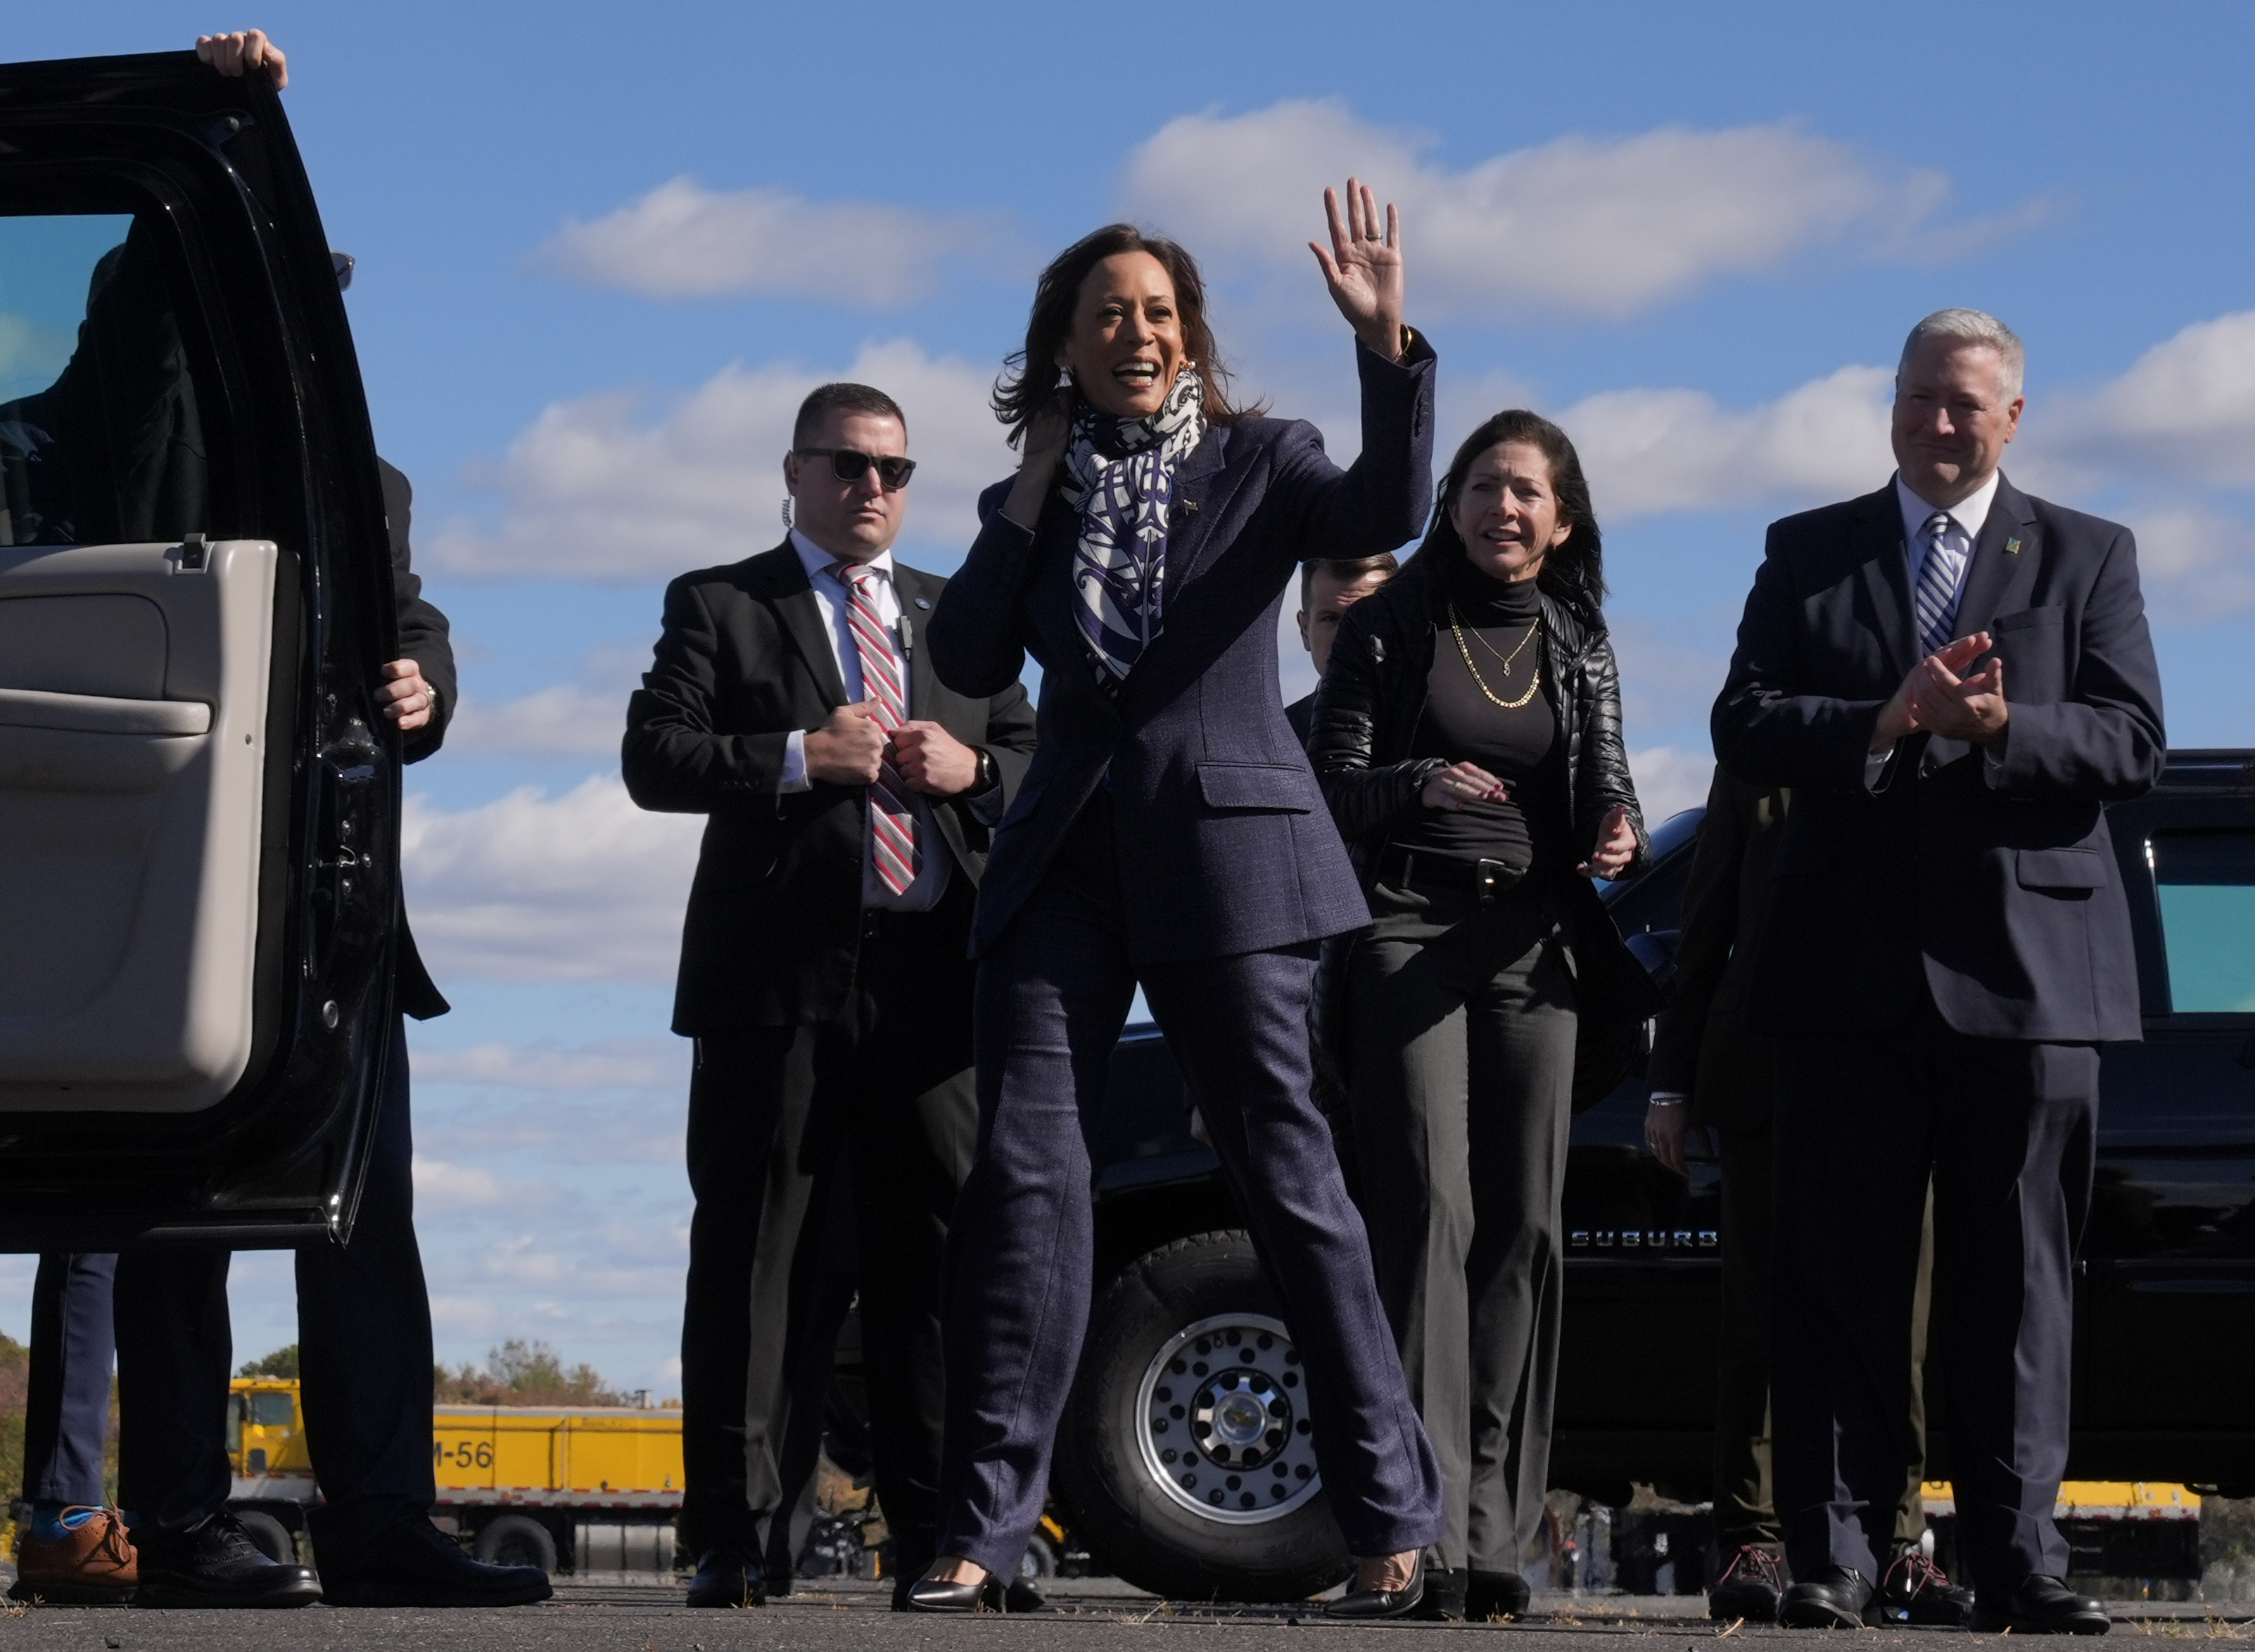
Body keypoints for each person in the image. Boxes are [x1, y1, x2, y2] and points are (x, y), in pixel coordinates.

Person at [910, 182, 1444, 1620]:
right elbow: (962, 654)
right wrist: (1029, 486)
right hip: (1064, 864)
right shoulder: (1027, 495)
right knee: (1024, 1180)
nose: (1135, 332)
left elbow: (1385, 507)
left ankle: (1389, 1517)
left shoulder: (1268, 459)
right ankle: (983, 1535)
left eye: (1156, 312)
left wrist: (1386, 344)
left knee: (1288, 1177)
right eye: (1107, 316)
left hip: (1231, 853)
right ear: (1065, 349)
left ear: (1188, 337)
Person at [1713, 308, 2164, 1634]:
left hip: (2031, 982)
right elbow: (1744, 719)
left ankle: (2020, 1558)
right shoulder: (1809, 552)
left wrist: (2002, 725)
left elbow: (2132, 738)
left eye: (1966, 404)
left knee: (2017, 1281)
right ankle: (1837, 1554)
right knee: (1837, 1277)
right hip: (1846, 976)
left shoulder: (2090, 554)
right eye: (1920, 398)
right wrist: (1887, 718)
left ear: (2013, 416)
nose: (1940, 423)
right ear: (1893, 404)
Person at [623, 381, 1036, 1610]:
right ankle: (742, 1538)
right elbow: (656, 755)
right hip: (776, 987)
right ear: (794, 473)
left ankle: (940, 1540)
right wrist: (805, 757)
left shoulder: (961, 618)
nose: (873, 490)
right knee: (758, 1265)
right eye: (849, 466)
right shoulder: (721, 603)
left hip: (930, 985)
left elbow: (1035, 755)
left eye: (895, 471)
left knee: (940, 1270)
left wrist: (974, 769)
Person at [1308, 409, 1652, 1621]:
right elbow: (1331, 786)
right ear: (1452, 503)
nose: (1507, 509)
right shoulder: (1390, 627)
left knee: (1524, 1227)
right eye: (1487, 487)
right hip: (1407, 927)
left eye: (1531, 493)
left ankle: (1502, 1534)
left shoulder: (1580, 638)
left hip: (1535, 947)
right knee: (1429, 1208)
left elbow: (1607, 780)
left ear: (1562, 523)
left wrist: (1618, 829)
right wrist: (1420, 781)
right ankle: (1416, 1526)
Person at [1644, 775, 1969, 1627]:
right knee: (1762, 1316)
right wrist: (1669, 1082)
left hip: (1902, 1069)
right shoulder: (1760, 757)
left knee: (1899, 1318)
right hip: (1767, 1070)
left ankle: (1895, 1541)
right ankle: (1751, 1535)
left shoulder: (1930, 754)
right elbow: (1705, 922)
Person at [1286, 553, 1397, 743]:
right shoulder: (1272, 743)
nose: (1347, 635)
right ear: (1305, 631)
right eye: (1330, 618)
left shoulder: (1449, 728)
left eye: (1366, 616)